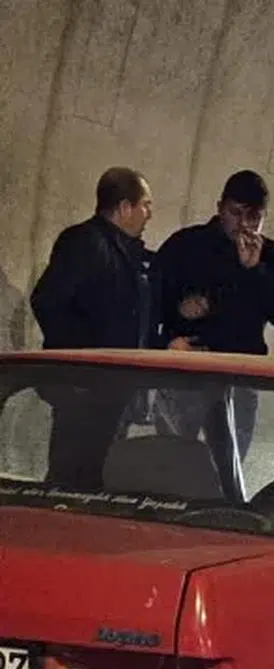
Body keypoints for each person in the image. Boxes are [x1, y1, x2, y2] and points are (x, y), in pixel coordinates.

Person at [152, 169, 274, 454]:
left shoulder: (271, 255)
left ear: (264, 216)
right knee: (171, 460)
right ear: (220, 208)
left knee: (229, 465)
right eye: (236, 213)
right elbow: (149, 303)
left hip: (240, 374)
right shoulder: (186, 245)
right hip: (186, 370)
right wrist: (170, 333)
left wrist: (256, 270)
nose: (244, 224)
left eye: (254, 217)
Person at [29, 166, 157, 488]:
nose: (149, 214)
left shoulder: (129, 252)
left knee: (100, 476)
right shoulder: (84, 242)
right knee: (70, 475)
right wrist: (80, 366)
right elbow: (48, 301)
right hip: (85, 389)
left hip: (114, 389)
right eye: (145, 205)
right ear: (124, 207)